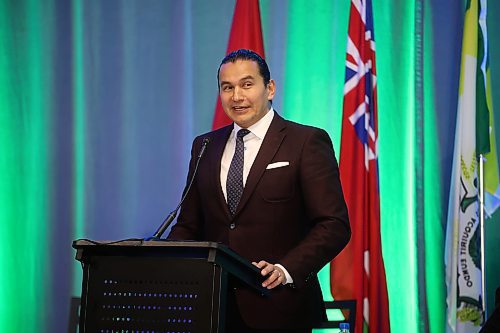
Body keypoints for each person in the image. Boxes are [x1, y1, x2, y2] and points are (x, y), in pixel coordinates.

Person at [168, 49, 350, 333]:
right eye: (227, 87)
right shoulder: (204, 145)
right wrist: (168, 262)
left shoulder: (305, 141)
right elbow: (189, 224)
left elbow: (333, 225)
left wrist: (286, 270)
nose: (237, 96)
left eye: (247, 84)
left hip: (280, 306)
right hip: (213, 308)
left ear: (270, 88)